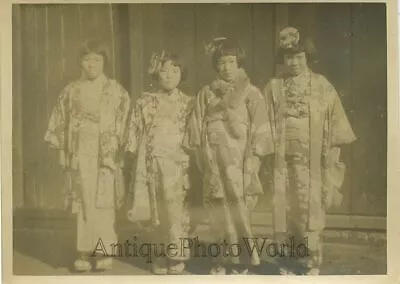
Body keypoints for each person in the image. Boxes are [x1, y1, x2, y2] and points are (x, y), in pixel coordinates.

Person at [263, 27, 357, 275]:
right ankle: (286, 262)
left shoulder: (322, 85)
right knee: (285, 208)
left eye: (299, 57)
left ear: (308, 57)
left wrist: (331, 157)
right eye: (288, 57)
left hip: (312, 160)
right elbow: (261, 126)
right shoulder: (273, 87)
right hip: (282, 161)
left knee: (309, 209)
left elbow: (335, 125)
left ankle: (309, 263)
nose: (294, 62)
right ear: (282, 60)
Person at [183, 37, 274, 275]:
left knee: (238, 208)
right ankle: (223, 259)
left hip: (239, 159)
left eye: (231, 61)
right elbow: (195, 127)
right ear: (216, 65)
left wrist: (254, 159)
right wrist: (202, 155)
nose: (226, 67)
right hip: (213, 158)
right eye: (222, 62)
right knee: (218, 208)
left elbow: (261, 128)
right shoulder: (206, 93)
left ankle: (243, 260)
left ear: (239, 63)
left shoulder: (251, 93)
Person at [44, 39, 131, 272]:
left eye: (97, 60)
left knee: (103, 202)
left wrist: (118, 153)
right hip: (81, 150)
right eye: (87, 59)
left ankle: (103, 252)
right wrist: (63, 151)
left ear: (104, 62)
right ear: (80, 62)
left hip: (106, 154)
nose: (91, 64)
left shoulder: (116, 91)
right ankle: (83, 250)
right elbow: (60, 123)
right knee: (83, 202)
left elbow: (125, 124)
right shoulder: (71, 91)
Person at [126, 51, 193, 275]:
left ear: (182, 74)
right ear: (156, 73)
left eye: (175, 70)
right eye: (164, 70)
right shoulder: (145, 102)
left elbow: (194, 136)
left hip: (177, 163)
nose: (169, 75)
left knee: (175, 211)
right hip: (150, 162)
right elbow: (134, 133)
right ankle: (158, 254)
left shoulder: (188, 103)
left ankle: (176, 256)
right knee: (155, 210)